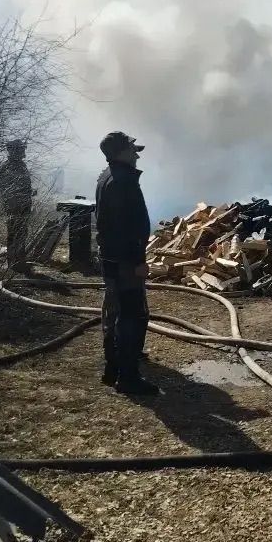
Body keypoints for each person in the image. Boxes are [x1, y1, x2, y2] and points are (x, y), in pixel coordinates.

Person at [95, 131, 158, 395]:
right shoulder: (123, 181)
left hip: (112, 257)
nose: (137, 155)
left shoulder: (107, 176)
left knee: (115, 311)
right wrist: (138, 261)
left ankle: (113, 368)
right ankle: (128, 377)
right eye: (133, 150)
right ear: (120, 152)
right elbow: (127, 228)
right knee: (132, 315)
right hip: (125, 261)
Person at [0, 139, 34, 271]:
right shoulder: (9, 166)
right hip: (14, 207)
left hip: (22, 206)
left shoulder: (19, 165)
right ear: (15, 150)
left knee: (21, 233)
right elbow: (7, 189)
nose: (23, 151)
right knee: (14, 233)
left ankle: (19, 261)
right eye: (21, 149)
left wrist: (28, 193)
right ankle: (14, 263)